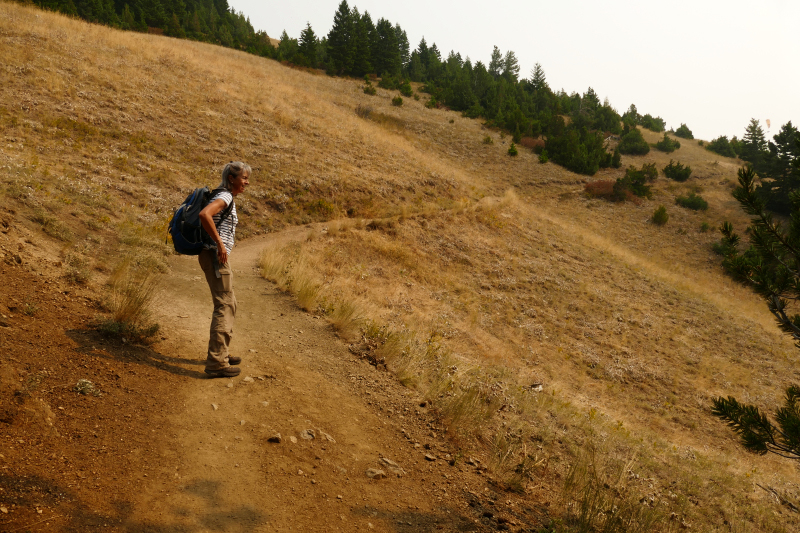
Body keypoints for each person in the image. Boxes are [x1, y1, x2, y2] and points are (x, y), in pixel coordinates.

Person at [198, 161, 250, 378]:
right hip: (214, 255)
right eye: (244, 178)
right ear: (231, 178)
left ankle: (222, 353)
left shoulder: (224, 195)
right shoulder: (226, 196)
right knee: (225, 305)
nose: (246, 183)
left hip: (213, 255)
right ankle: (217, 363)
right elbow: (204, 215)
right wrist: (220, 244)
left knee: (230, 302)